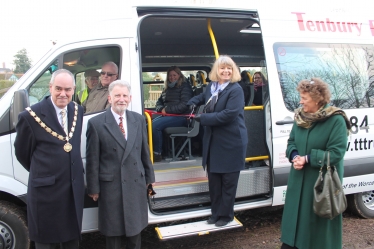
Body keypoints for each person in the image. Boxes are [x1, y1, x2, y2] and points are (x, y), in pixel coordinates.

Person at [14, 69, 85, 249]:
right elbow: (23, 153)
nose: (63, 94)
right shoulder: (30, 116)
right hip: (46, 193)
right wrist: (45, 172)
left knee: (71, 242)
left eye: (68, 90)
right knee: (47, 243)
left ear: (74, 89)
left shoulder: (78, 110)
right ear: (50, 87)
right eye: (58, 89)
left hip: (72, 190)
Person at [280, 78, 351, 249]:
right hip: (298, 182)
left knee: (316, 235)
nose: (300, 101)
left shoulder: (336, 120)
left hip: (321, 185)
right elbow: (291, 142)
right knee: (293, 233)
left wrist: (308, 159)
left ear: (318, 99)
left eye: (304, 98)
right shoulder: (300, 117)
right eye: (301, 97)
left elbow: (336, 153)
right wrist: (295, 156)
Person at [86, 80, 155, 249]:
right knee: (113, 232)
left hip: (135, 183)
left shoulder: (138, 120)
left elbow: (144, 151)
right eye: (117, 95)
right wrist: (93, 188)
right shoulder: (96, 123)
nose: (121, 99)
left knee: (135, 232)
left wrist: (149, 177)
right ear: (109, 98)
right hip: (111, 186)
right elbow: (92, 159)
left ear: (130, 98)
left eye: (125, 95)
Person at [187, 55, 248, 227]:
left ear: (233, 70)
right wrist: (191, 102)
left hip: (231, 142)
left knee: (228, 182)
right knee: (214, 181)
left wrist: (203, 118)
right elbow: (202, 97)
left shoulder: (235, 90)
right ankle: (215, 213)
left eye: (229, 68)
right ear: (216, 71)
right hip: (213, 141)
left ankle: (226, 215)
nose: (226, 71)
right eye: (222, 68)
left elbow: (229, 115)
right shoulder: (212, 87)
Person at [152, 66, 193, 162]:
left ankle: (157, 154)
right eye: (170, 75)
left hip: (182, 117)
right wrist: (161, 108)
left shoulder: (185, 86)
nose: (172, 77)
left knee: (155, 126)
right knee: (147, 125)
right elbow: (158, 103)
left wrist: (167, 110)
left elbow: (185, 105)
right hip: (168, 115)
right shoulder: (167, 88)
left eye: (174, 75)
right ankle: (150, 151)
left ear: (179, 75)